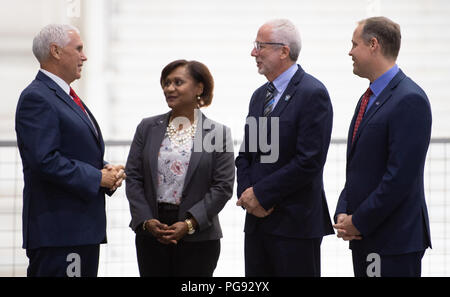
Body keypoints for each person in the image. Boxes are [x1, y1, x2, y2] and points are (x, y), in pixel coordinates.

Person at [15, 24, 126, 277]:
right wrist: (97, 178)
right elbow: (44, 160)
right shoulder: (38, 97)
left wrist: (105, 170)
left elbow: (73, 152)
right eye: (78, 49)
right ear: (55, 51)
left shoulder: (63, 95)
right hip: (59, 233)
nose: (84, 57)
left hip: (79, 230)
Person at [333, 16, 432, 277]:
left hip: (393, 242)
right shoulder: (368, 98)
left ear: (373, 44)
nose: (350, 52)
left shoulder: (409, 100)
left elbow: (398, 178)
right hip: (366, 237)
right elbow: (358, 167)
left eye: (354, 44)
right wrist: (344, 212)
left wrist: (358, 220)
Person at [235, 19, 334, 277]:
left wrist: (262, 195)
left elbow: (309, 161)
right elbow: (246, 155)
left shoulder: (313, 93)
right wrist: (248, 196)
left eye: (260, 46)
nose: (253, 53)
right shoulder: (259, 96)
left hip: (295, 226)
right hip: (257, 223)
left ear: (283, 50)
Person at [125, 59, 235, 277]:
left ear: (199, 88)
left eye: (178, 82)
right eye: (166, 83)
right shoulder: (147, 127)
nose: (169, 89)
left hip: (199, 235)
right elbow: (134, 178)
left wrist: (190, 223)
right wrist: (146, 221)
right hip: (152, 233)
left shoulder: (217, 133)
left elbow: (222, 187)